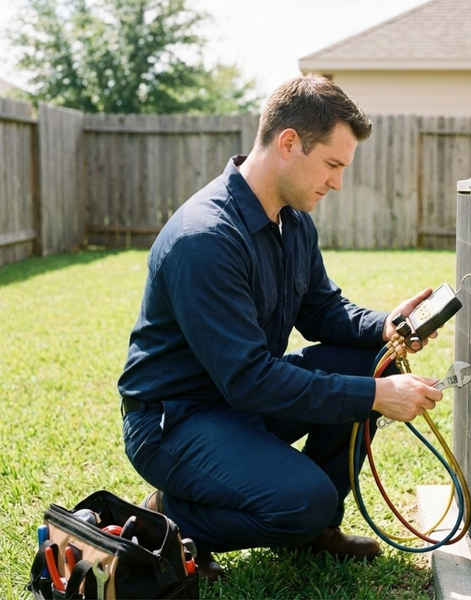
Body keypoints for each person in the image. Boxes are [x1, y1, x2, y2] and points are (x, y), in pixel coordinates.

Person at [118, 74, 444, 582]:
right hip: (176, 422)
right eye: (333, 164)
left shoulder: (293, 220)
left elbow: (322, 312)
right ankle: (171, 517)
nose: (337, 182)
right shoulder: (204, 238)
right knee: (305, 499)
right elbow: (249, 378)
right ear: (289, 143)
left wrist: (387, 326)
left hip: (237, 404)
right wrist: (375, 396)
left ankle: (314, 531)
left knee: (362, 361)